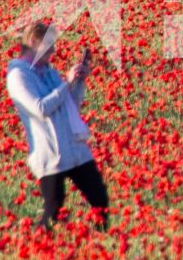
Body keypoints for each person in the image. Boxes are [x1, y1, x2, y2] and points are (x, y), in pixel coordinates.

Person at [6, 20, 110, 231]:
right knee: (53, 209)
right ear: (34, 42)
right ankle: (39, 250)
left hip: (74, 148)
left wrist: (78, 81)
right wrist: (67, 83)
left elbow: (71, 104)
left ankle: (101, 245)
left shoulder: (49, 71)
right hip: (50, 153)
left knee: (100, 200)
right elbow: (41, 108)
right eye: (49, 44)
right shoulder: (18, 75)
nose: (54, 50)